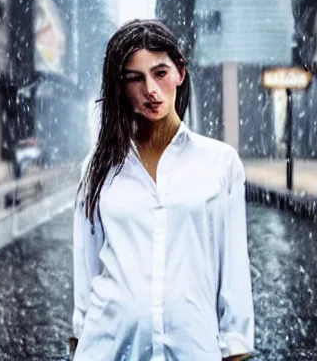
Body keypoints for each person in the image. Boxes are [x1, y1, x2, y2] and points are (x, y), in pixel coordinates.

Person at [70, 19, 254, 360]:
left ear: (180, 72)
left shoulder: (220, 164)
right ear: (120, 87)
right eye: (134, 78)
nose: (150, 90)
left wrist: (236, 346)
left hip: (191, 349)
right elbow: (87, 269)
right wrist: (79, 337)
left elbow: (233, 270)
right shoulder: (97, 168)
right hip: (109, 347)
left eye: (160, 73)